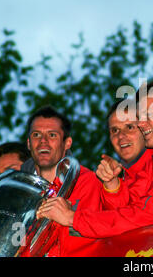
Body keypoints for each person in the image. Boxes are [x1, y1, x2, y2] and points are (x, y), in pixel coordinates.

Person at [38, 77, 153, 239]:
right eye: (140, 117)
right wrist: (113, 185)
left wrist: (72, 218)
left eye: (148, 115)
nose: (141, 124)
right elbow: (127, 210)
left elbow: (144, 216)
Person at [26, 105, 102, 256]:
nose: (43, 141)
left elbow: (96, 239)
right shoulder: (20, 190)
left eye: (52, 135)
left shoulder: (88, 182)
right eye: (36, 135)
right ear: (28, 143)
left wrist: (67, 217)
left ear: (67, 143)